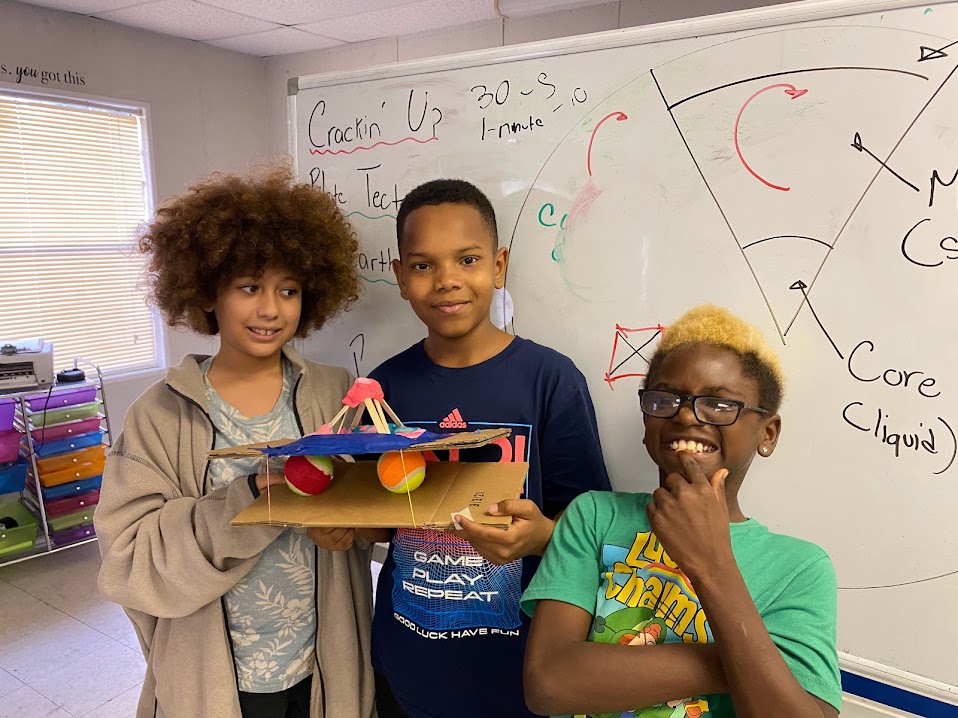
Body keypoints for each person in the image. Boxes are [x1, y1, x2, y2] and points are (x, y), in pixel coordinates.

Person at [313, 178, 611, 718]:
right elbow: (383, 518)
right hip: (407, 664)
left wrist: (540, 536)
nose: (447, 280)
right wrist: (346, 526)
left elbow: (592, 524)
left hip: (521, 673)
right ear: (401, 278)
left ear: (498, 266)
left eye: (467, 260)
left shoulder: (550, 380)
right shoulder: (384, 387)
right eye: (423, 265)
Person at [94, 165, 376, 718]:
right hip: (215, 681)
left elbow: (363, 511)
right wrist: (246, 504)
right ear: (206, 292)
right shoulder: (159, 415)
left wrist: (351, 524)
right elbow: (127, 561)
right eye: (250, 288)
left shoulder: (336, 392)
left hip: (325, 668)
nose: (271, 309)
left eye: (288, 290)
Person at [521, 304, 842, 718]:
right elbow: (548, 684)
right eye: (665, 399)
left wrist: (712, 563)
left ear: (768, 433)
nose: (687, 414)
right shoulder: (594, 517)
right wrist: (735, 662)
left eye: (720, 404)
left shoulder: (800, 568)